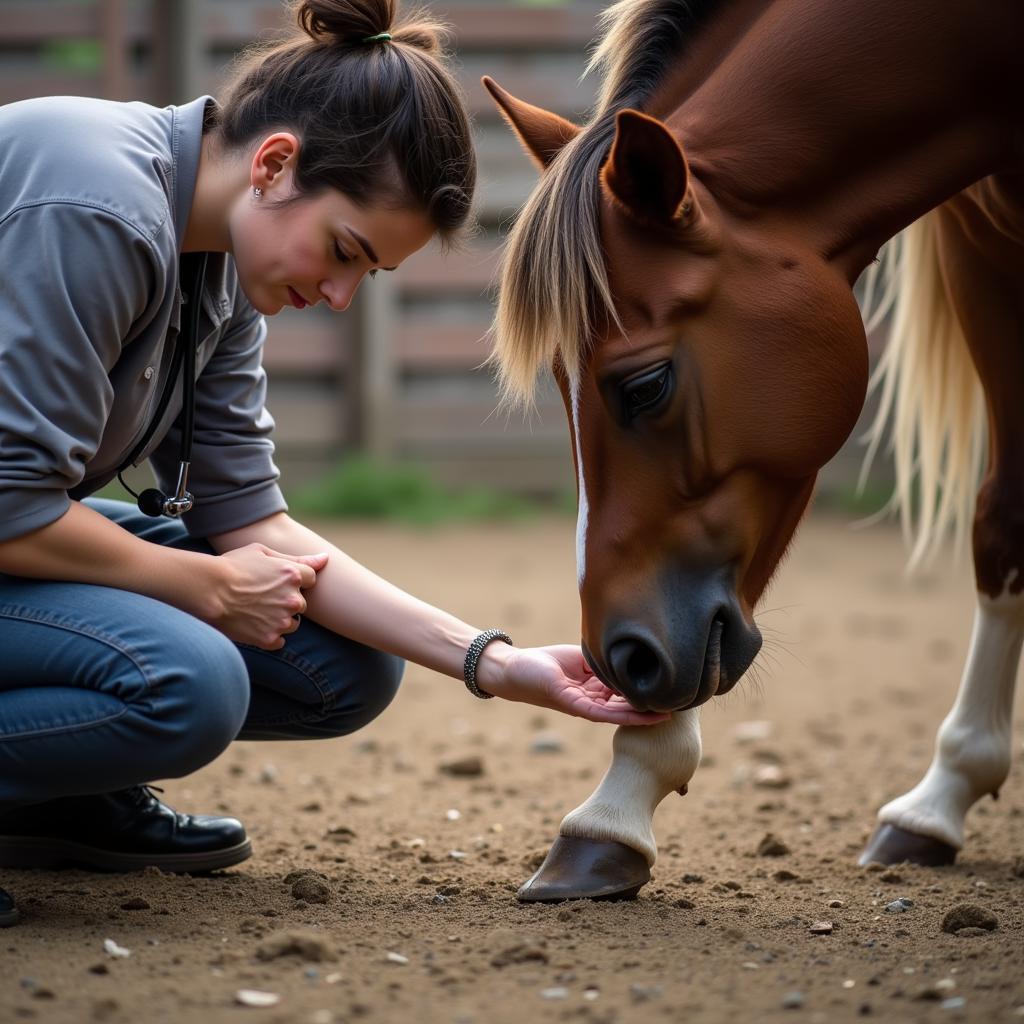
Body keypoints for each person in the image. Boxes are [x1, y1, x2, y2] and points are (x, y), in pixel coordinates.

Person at [0, 0, 666, 927]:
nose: (342, 295)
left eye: (371, 276)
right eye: (345, 251)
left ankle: (50, 801)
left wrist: (492, 662)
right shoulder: (93, 202)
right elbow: (8, 503)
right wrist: (202, 586)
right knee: (188, 680)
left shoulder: (223, 266)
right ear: (274, 164)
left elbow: (252, 521)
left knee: (338, 667)